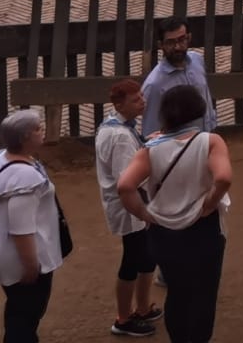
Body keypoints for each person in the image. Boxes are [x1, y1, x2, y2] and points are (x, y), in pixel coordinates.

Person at [116, 84, 232, 343]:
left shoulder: (151, 148)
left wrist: (145, 214)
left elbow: (125, 186)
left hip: (164, 230)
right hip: (203, 227)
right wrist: (210, 204)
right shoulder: (210, 141)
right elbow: (223, 177)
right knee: (204, 293)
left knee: (178, 291)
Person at [0, 110, 64, 343]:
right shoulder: (25, 178)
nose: (42, 131)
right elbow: (21, 228)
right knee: (27, 314)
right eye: (38, 129)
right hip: (21, 257)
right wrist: (31, 266)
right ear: (25, 137)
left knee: (17, 309)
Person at [95, 81, 160, 338]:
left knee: (145, 257)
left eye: (141, 96)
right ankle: (123, 318)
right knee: (132, 260)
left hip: (133, 202)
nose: (142, 101)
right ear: (120, 105)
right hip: (131, 205)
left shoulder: (116, 126)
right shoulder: (121, 137)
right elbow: (128, 179)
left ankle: (142, 308)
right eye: (136, 99)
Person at [141, 20, 217, 136]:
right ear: (160, 45)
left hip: (206, 138)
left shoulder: (197, 60)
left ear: (189, 38)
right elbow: (151, 133)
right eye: (170, 42)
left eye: (181, 40)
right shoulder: (154, 85)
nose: (177, 47)